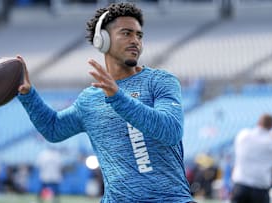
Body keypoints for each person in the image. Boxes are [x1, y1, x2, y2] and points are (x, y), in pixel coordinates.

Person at [17, 2, 194, 202]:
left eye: (139, 35)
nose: (135, 40)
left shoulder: (160, 81)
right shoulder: (89, 99)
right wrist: (28, 95)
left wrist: (118, 98)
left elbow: (171, 131)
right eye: (126, 33)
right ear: (103, 40)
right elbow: (53, 128)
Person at [231, 113, 272, 203]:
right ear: (271, 126)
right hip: (260, 189)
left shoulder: (243, 136)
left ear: (258, 122)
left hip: (240, 185)